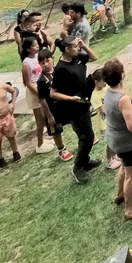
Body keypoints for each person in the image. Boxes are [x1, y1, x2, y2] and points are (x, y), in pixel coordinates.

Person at [99, 58, 132, 220]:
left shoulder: (109, 92)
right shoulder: (123, 99)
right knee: (131, 174)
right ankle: (129, 209)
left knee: (124, 167)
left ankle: (120, 193)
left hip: (114, 139)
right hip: (125, 142)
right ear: (122, 75)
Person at [50, 36, 100, 184]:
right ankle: (78, 167)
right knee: (86, 137)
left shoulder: (78, 56)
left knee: (88, 136)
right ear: (66, 49)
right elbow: (53, 93)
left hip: (83, 102)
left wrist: (84, 46)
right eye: (75, 47)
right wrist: (70, 98)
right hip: (72, 107)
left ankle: (85, 161)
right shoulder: (60, 69)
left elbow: (94, 57)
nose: (77, 49)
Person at [35, 49, 75, 162]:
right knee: (56, 130)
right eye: (43, 63)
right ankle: (61, 150)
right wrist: (49, 116)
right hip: (52, 109)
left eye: (48, 60)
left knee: (75, 121)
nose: (46, 64)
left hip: (66, 104)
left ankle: (84, 138)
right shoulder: (42, 80)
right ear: (40, 65)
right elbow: (42, 99)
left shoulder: (59, 70)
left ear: (52, 59)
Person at [19, 38, 53, 153]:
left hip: (42, 86)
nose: (37, 47)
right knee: (41, 119)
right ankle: (39, 144)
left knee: (46, 116)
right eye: (34, 45)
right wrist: (39, 93)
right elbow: (27, 82)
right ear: (28, 49)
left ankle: (43, 140)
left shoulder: (39, 57)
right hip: (35, 91)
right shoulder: (26, 63)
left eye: (37, 44)